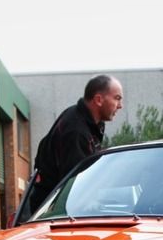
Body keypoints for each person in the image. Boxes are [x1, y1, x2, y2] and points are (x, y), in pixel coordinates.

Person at [14, 75, 124, 224]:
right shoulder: (76, 131)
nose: (120, 105)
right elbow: (76, 187)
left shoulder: (84, 121)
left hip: (55, 214)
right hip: (56, 218)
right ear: (98, 100)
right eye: (117, 98)